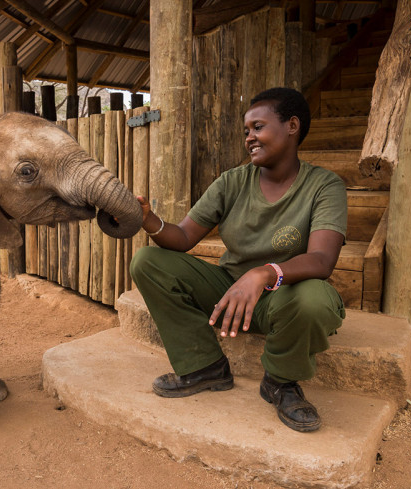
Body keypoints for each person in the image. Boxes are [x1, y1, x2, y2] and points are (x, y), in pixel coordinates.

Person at [129, 87, 346, 433]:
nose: (249, 138)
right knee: (147, 262)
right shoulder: (232, 181)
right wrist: (147, 219)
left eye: (258, 127)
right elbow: (183, 238)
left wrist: (263, 273)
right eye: (246, 131)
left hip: (284, 301)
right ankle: (204, 366)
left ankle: (281, 382)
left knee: (315, 299)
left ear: (292, 126)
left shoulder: (323, 186)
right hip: (229, 294)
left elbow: (322, 259)